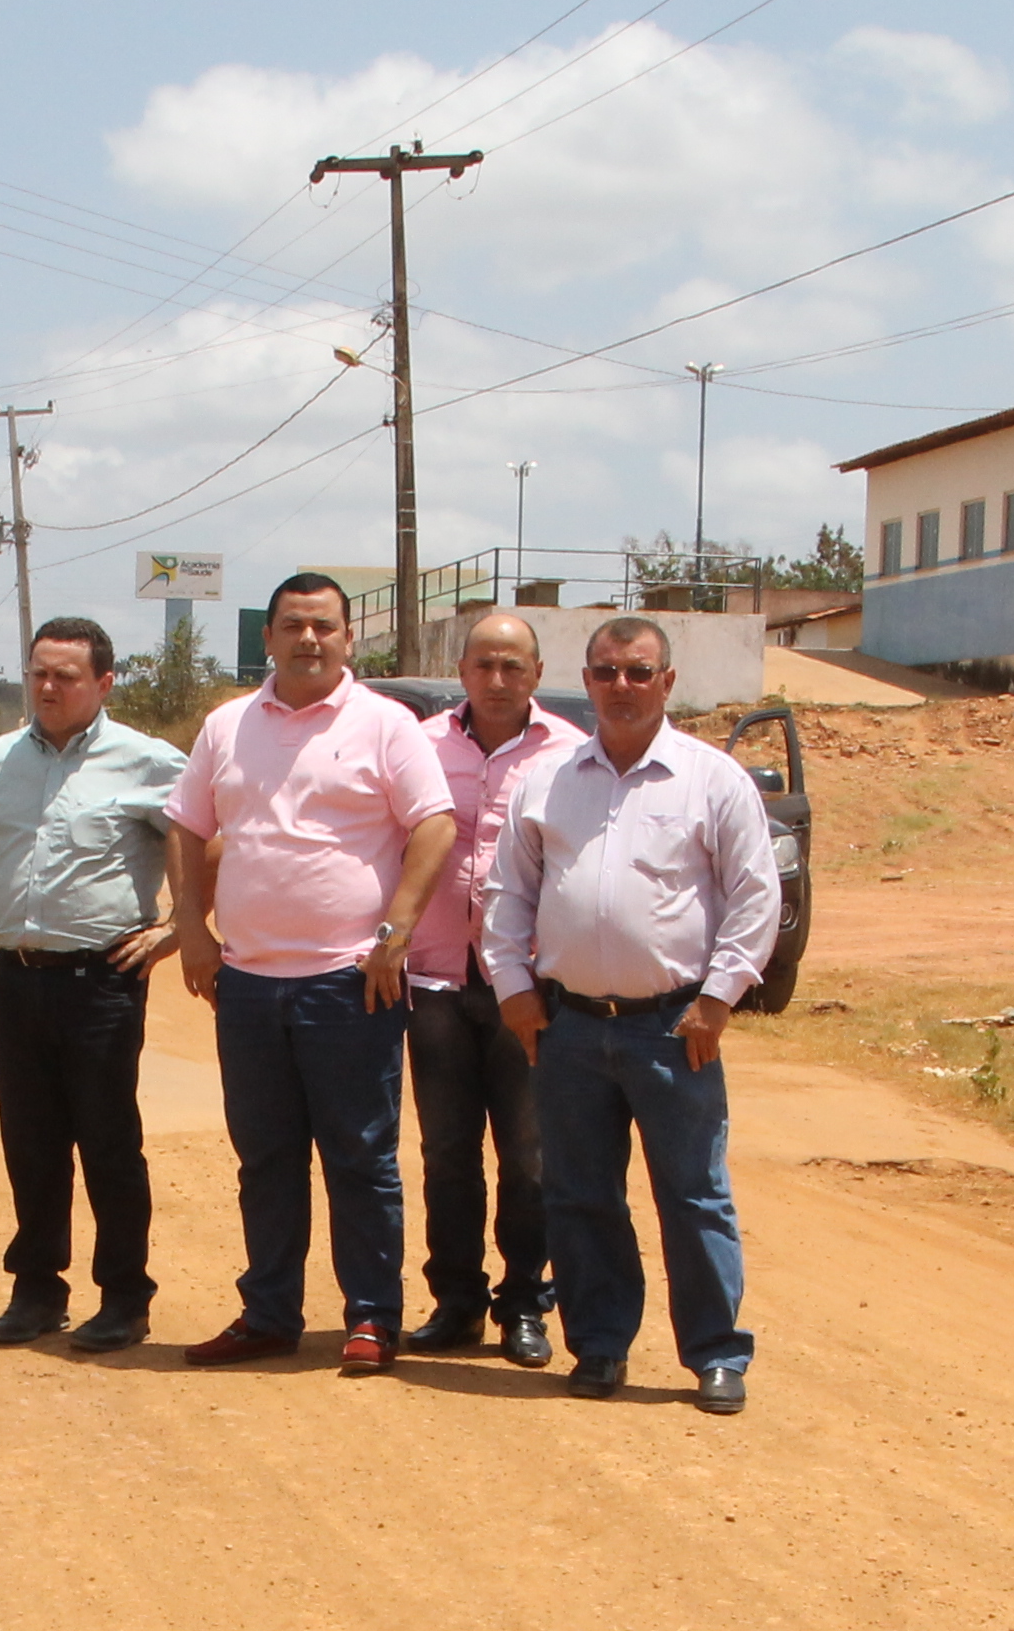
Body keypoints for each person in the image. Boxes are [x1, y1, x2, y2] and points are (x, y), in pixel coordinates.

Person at [478, 614, 787, 1415]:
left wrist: (718, 999)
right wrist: (513, 989)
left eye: (639, 672)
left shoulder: (711, 779)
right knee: (580, 1194)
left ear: (668, 683)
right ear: (584, 682)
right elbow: (509, 893)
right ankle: (601, 1345)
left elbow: (757, 896)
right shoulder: (546, 780)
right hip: (569, 1025)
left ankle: (716, 1355)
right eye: (607, 672)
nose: (622, 686)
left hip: (673, 1026)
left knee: (692, 1194)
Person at [160, 574, 456, 1373]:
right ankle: (269, 1314)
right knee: (265, 1156)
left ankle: (370, 1317)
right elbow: (187, 828)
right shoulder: (227, 727)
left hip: (349, 982)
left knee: (360, 1155)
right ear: (269, 637)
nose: (309, 640)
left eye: (324, 626)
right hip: (247, 983)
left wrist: (394, 933)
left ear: (349, 638)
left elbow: (433, 825)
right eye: (293, 625)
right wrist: (192, 929)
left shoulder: (387, 727)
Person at [0, 617, 187, 1352]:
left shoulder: (148, 761)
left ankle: (125, 1298)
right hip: (19, 979)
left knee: (108, 1142)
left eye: (66, 675)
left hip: (101, 981)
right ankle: (37, 1290)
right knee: (31, 1143)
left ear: (104, 683)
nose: (48, 687)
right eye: (38, 672)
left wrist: (179, 926)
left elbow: (206, 839)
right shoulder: (1, 760)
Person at [403, 610, 577, 1368]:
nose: (498, 679)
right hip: (434, 979)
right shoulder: (421, 746)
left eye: (514, 666)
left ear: (536, 674)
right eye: (483, 665)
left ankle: (525, 1306)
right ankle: (456, 1302)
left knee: (530, 1154)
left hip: (529, 989)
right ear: (462, 671)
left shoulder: (572, 755)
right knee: (446, 1152)